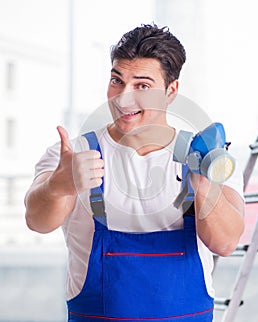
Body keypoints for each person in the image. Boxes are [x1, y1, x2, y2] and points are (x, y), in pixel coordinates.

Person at [24, 24, 245, 322]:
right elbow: (37, 222)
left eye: (142, 86)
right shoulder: (72, 156)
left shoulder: (207, 159)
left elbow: (226, 243)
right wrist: (58, 186)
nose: (123, 98)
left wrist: (204, 188)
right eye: (117, 81)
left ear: (171, 91)